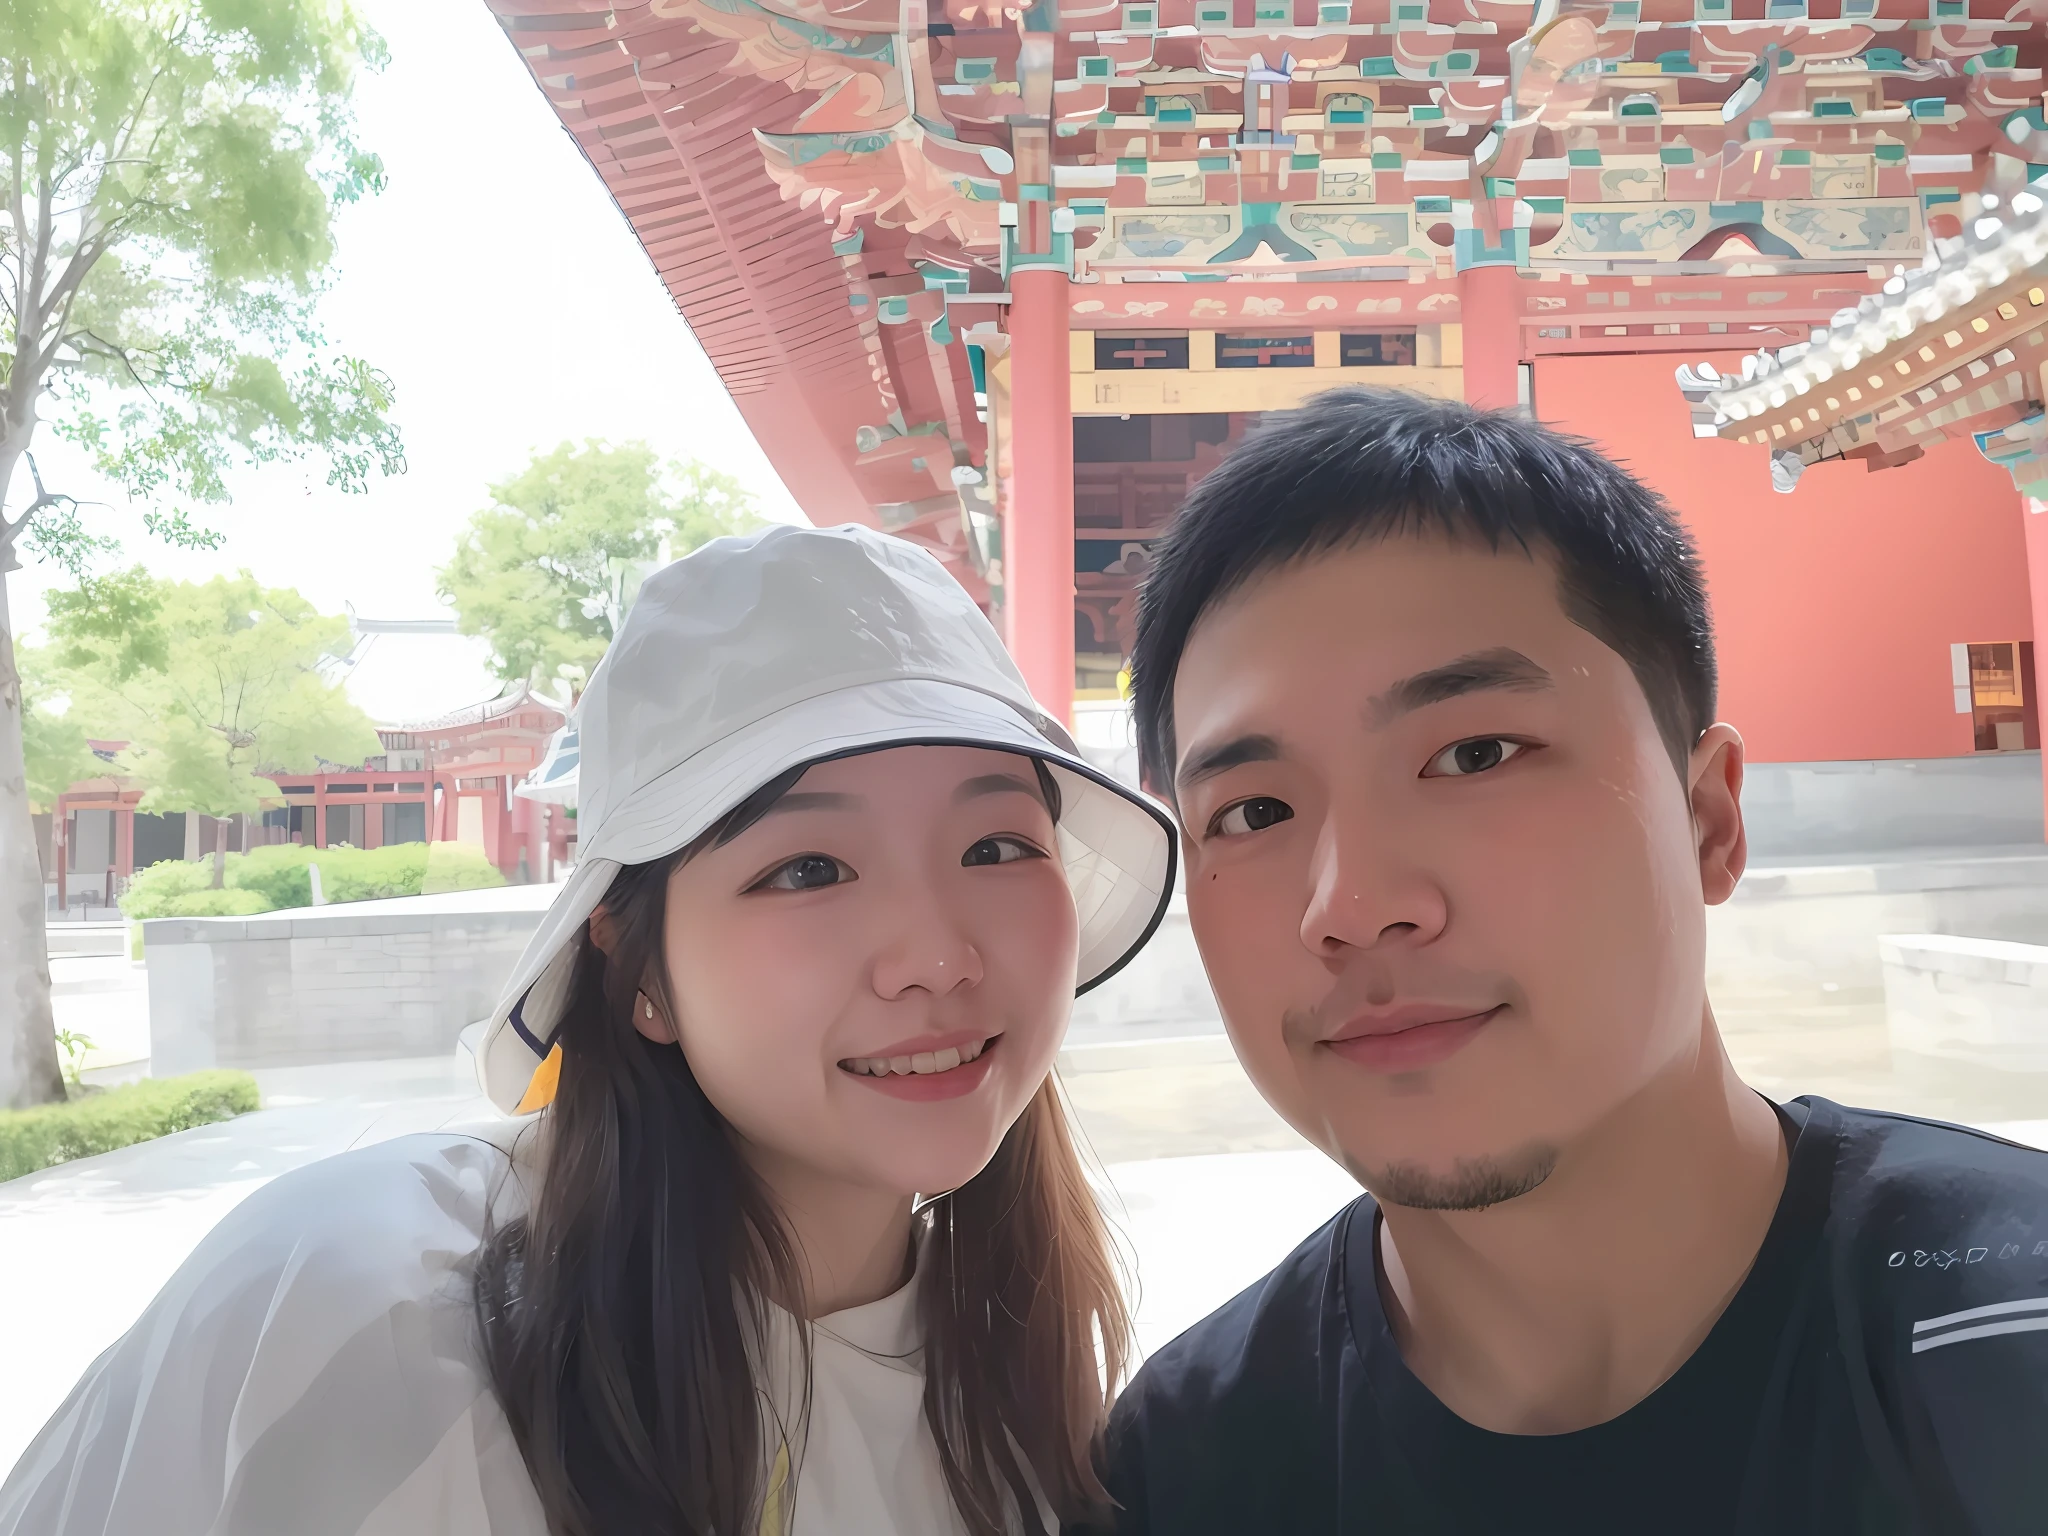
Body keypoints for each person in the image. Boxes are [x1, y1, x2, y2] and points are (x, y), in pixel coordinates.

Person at [1, 524, 1177, 1536]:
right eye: (809, 866)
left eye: (998, 847)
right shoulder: (373, 1315)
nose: (936, 958)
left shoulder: (1016, 1387)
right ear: (634, 968)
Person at [1088, 389, 2048, 1535]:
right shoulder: (1186, 1469)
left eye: (1473, 752)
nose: (1348, 907)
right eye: (1249, 813)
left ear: (1705, 820)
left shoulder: (2003, 1335)